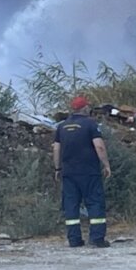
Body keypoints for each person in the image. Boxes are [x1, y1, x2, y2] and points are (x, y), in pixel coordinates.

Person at [53, 96, 112, 248]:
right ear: (85, 108)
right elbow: (99, 146)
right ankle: (97, 238)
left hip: (69, 173)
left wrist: (57, 168)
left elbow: (56, 149)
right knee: (95, 202)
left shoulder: (62, 126)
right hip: (89, 172)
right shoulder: (90, 124)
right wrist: (106, 165)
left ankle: (74, 240)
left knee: (71, 205)